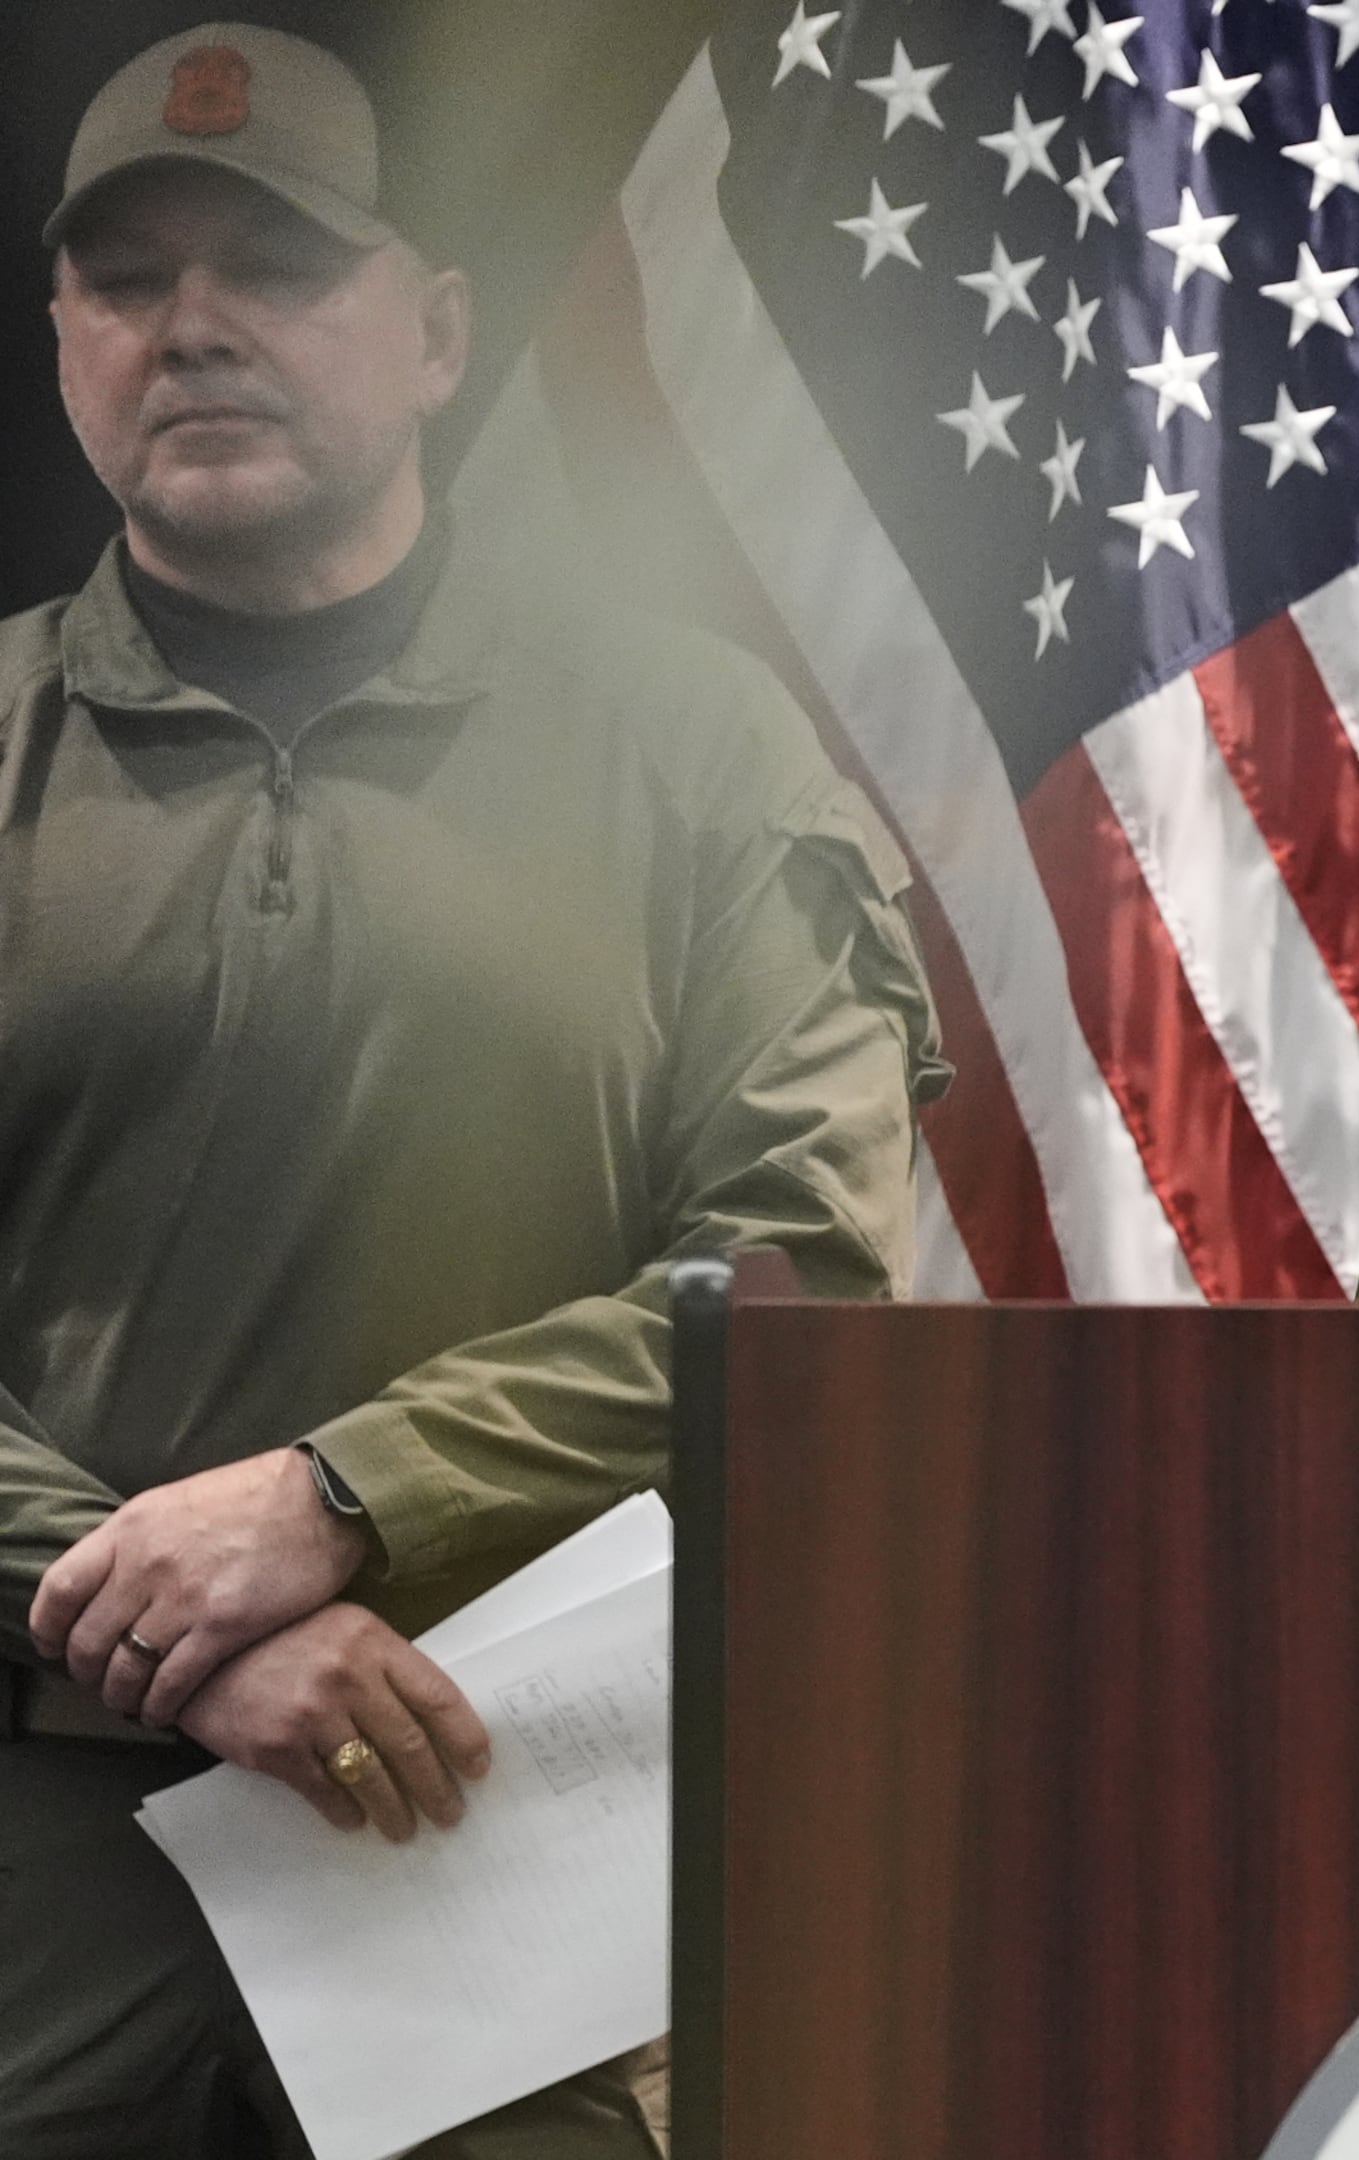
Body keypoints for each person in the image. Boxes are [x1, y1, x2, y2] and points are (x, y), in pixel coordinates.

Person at [0, 25, 941, 2156]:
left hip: (507, 1847)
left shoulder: (690, 754)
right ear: (62, 341)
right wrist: (175, 1637)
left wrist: (342, 1500)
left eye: (273, 265)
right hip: (39, 1878)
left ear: (433, 336)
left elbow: (794, 1280)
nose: (193, 326)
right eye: (128, 280)